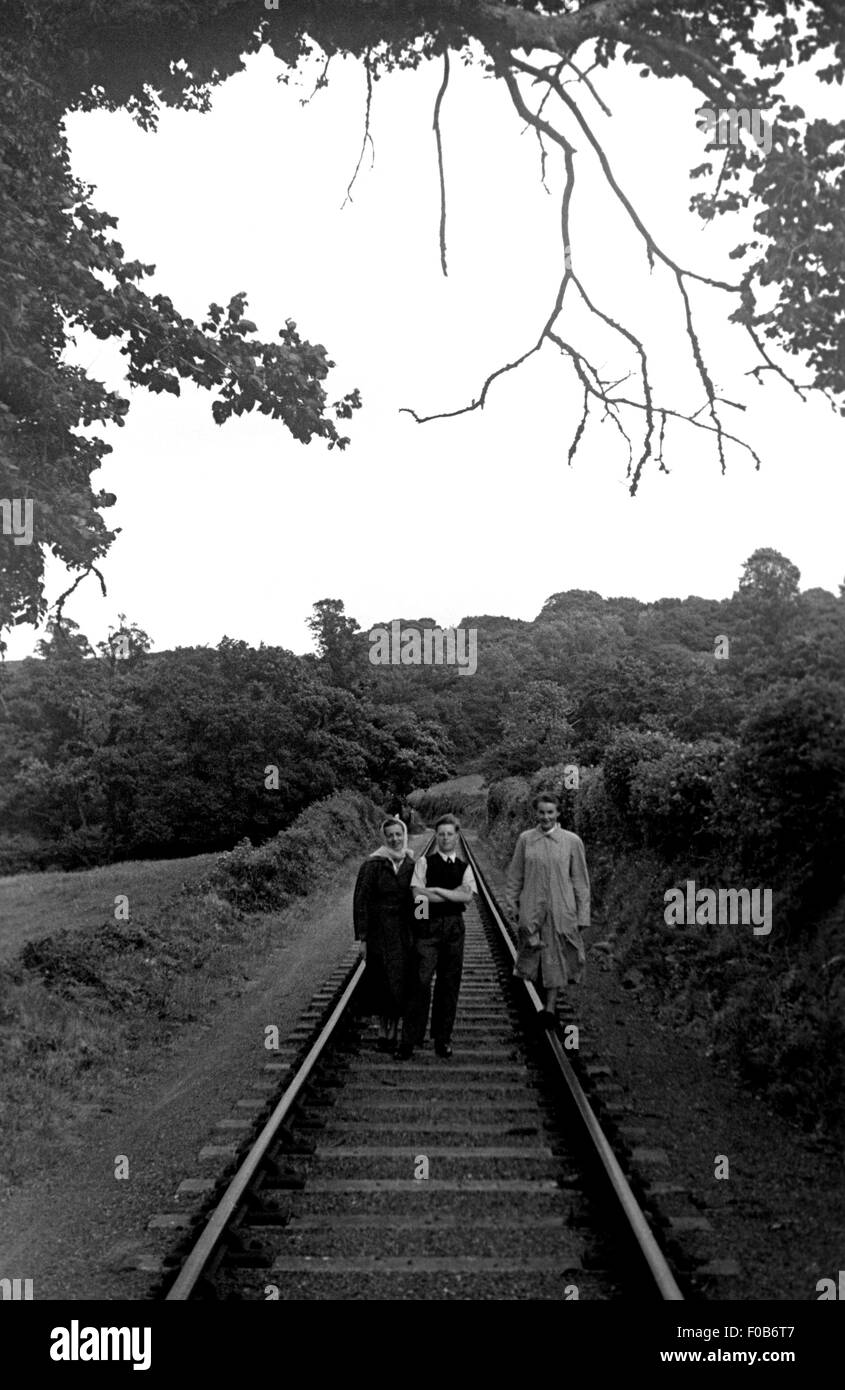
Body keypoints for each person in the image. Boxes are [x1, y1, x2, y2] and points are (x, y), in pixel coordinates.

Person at [505, 792, 590, 1029]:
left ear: (558, 813)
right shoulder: (526, 839)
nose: (546, 817)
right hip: (531, 907)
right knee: (532, 953)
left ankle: (550, 1009)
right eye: (542, 812)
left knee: (555, 957)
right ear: (536, 813)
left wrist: (582, 915)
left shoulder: (572, 841)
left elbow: (581, 882)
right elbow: (515, 875)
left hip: (560, 909)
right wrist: (511, 904)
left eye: (550, 812)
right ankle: (538, 1001)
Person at [397, 813, 477, 1060]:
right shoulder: (424, 863)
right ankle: (410, 1039)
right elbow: (418, 897)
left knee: (449, 984)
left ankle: (442, 1039)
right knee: (420, 983)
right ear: (436, 835)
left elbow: (468, 897)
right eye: (440, 834)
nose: (444, 838)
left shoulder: (465, 867)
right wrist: (423, 922)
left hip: (454, 929)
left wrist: (436, 891)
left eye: (449, 834)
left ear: (456, 835)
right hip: (428, 928)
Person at [353, 816, 416, 1052]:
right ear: (384, 837)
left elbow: (420, 899)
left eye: (398, 834)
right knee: (382, 981)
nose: (395, 839)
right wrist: (363, 938)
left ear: (404, 835)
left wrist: (422, 928)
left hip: (404, 932)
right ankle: (382, 1032)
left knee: (401, 981)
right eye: (390, 835)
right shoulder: (373, 864)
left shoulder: (413, 864)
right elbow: (361, 901)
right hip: (380, 932)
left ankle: (394, 1031)